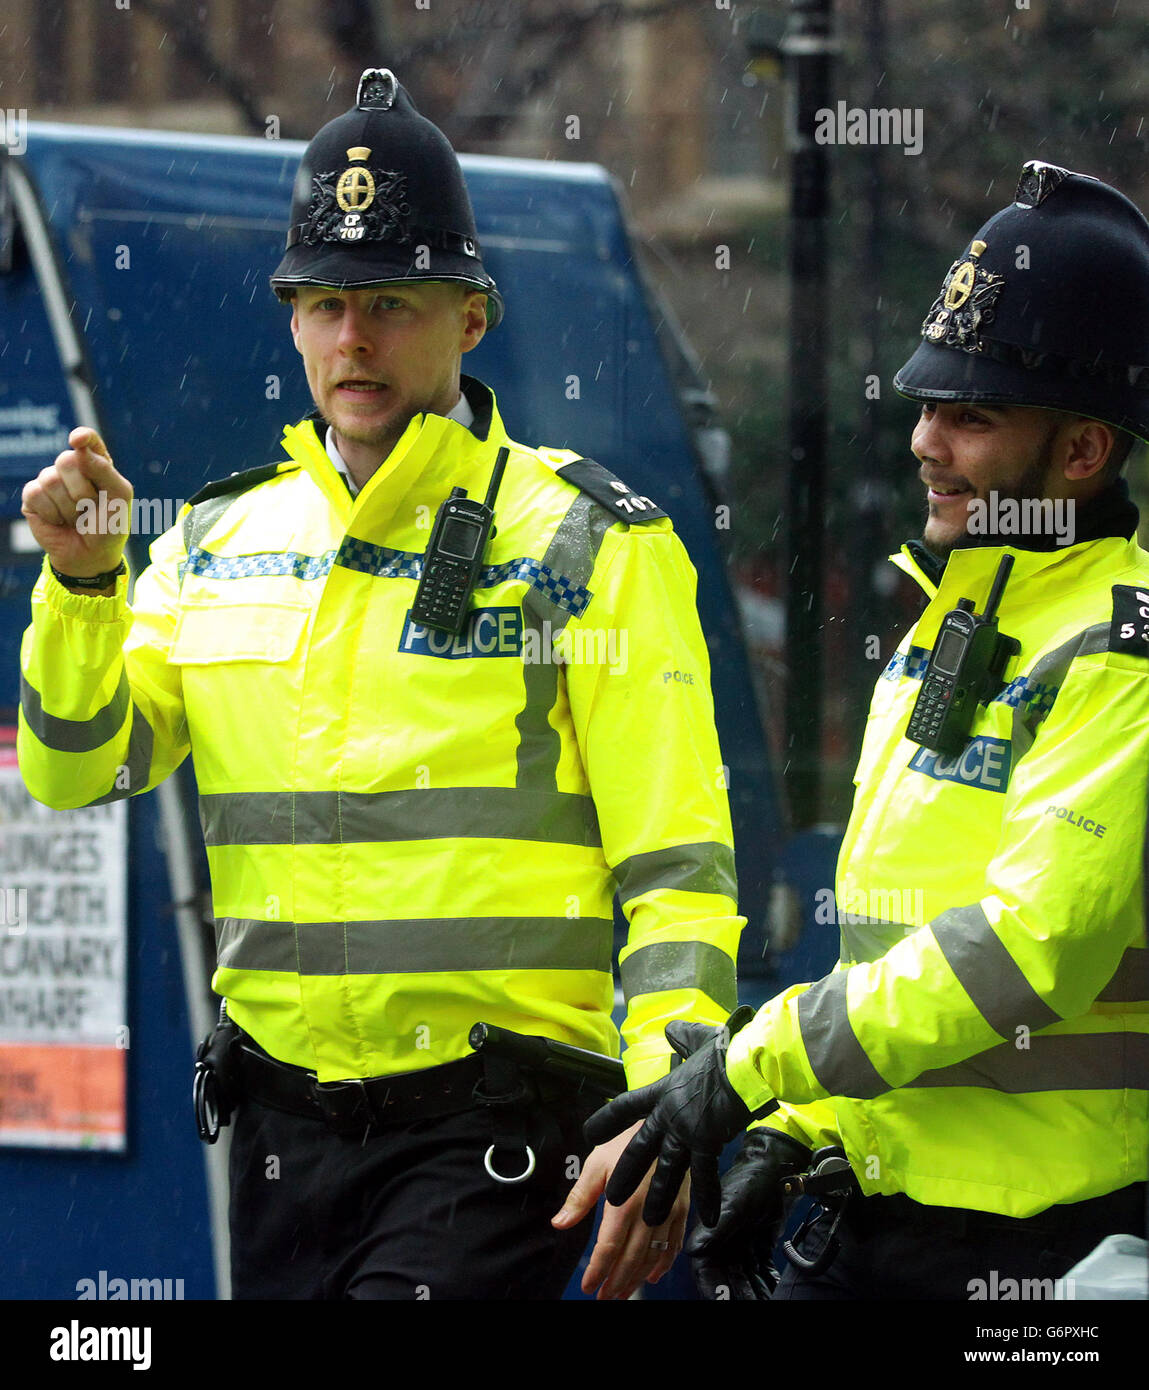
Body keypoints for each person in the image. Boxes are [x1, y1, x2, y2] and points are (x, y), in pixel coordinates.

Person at [17, 69, 744, 1301]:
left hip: (491, 1135)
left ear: (470, 317)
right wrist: (84, 587)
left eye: (394, 303)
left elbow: (676, 866)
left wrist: (666, 1104)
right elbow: (78, 766)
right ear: (293, 321)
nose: (355, 338)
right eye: (327, 304)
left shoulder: (589, 542)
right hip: (280, 1140)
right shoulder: (211, 541)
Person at [586, 160, 1149, 1299]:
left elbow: (1022, 949)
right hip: (881, 1218)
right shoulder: (949, 627)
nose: (924, 443)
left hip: (1048, 1253)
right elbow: (890, 950)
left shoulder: (1121, 654)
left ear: (1083, 454)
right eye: (928, 406)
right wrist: (801, 1130)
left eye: (971, 416)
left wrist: (754, 1065)